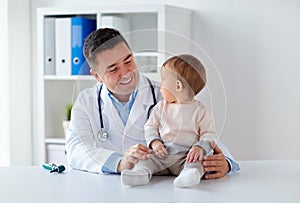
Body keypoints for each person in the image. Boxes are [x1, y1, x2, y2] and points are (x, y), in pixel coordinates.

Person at [65, 28, 239, 179]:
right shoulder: (86, 102)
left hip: (162, 190)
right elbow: (76, 149)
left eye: (128, 61)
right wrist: (120, 163)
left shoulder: (167, 94)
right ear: (96, 75)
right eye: (113, 69)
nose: (126, 73)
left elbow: (204, 132)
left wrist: (227, 163)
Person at [121, 54, 219, 187]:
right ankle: (140, 174)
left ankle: (189, 175)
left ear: (178, 86)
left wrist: (199, 148)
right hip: (162, 154)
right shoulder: (160, 108)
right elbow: (150, 127)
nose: (160, 85)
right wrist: (155, 142)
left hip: (186, 156)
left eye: (163, 80)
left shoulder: (202, 111)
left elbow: (209, 134)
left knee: (199, 162)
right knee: (145, 159)